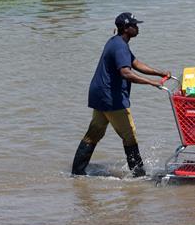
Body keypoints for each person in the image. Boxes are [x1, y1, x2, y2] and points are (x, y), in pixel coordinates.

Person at [71, 13, 171, 178]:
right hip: (111, 98)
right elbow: (126, 72)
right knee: (129, 135)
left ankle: (77, 173)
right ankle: (139, 176)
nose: (137, 27)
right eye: (134, 25)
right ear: (126, 28)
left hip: (100, 95)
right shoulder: (120, 46)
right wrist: (151, 83)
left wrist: (159, 73)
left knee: (95, 132)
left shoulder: (116, 42)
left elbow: (135, 63)